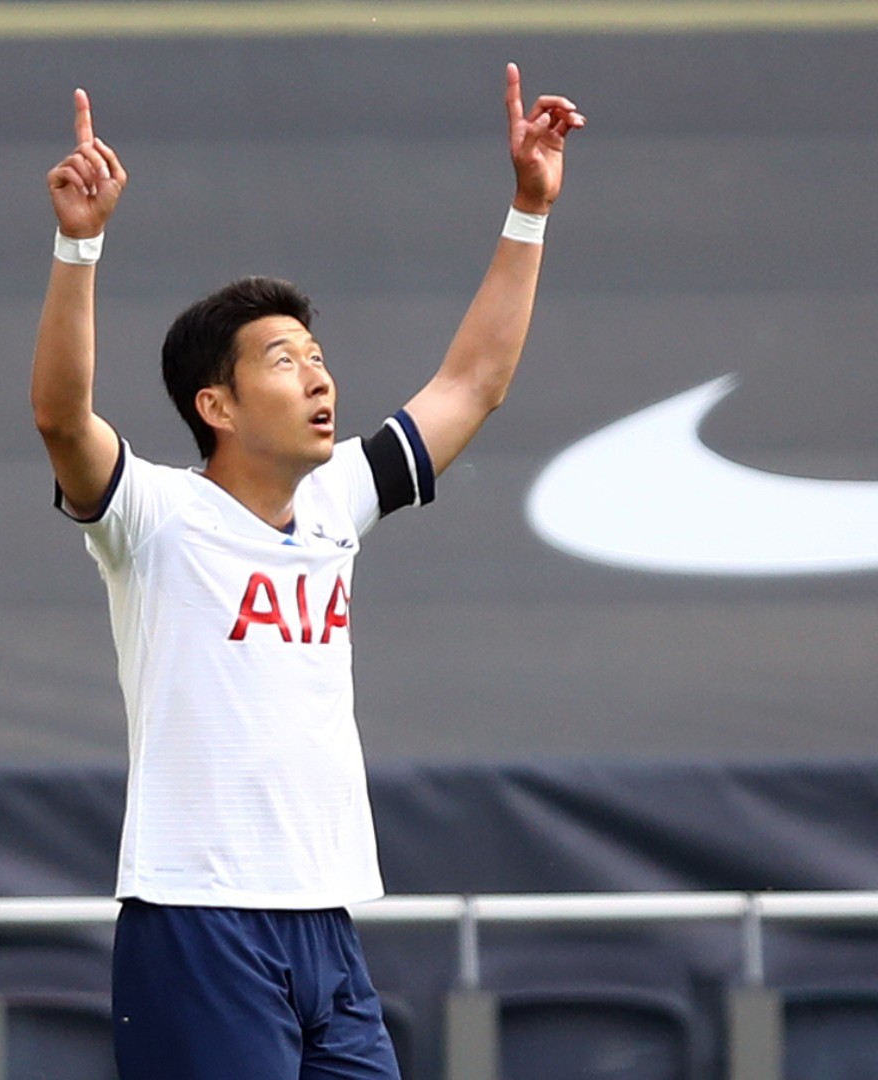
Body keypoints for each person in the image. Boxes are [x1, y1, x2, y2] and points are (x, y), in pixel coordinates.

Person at [29, 68, 583, 1078]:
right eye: (284, 360)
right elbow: (63, 419)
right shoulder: (153, 517)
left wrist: (530, 208)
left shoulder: (337, 504)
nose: (320, 376)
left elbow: (475, 381)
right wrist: (80, 243)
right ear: (218, 406)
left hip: (324, 926)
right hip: (197, 920)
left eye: (319, 355)